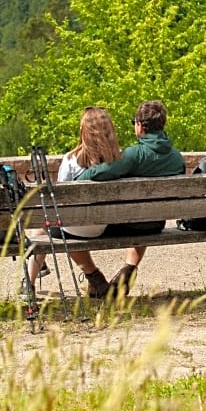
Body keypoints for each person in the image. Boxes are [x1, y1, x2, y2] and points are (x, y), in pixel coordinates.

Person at [77, 100, 185, 297]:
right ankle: (128, 270)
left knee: (134, 214)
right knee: (145, 213)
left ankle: (95, 279)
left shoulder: (134, 154)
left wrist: (80, 177)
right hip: (155, 223)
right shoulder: (176, 157)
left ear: (140, 126)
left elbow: (98, 174)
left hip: (129, 223)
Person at [26, 107, 122, 298]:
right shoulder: (120, 158)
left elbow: (60, 199)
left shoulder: (71, 160)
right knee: (62, 226)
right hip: (105, 225)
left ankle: (29, 284)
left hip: (75, 227)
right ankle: (95, 280)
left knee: (40, 230)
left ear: (83, 131)